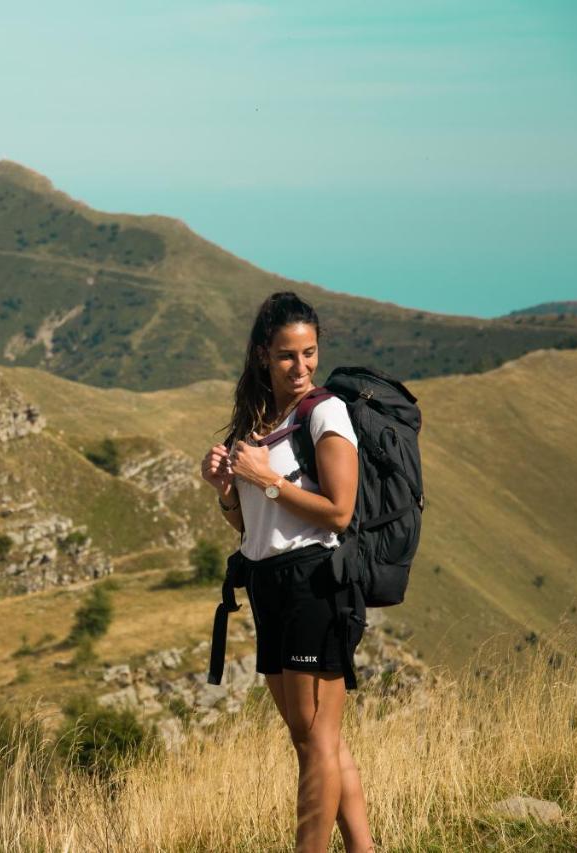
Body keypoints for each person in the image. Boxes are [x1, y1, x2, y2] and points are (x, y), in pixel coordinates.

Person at [201, 292, 373, 853]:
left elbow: (339, 511)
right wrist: (229, 490)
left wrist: (267, 479)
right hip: (267, 584)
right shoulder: (255, 423)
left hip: (315, 582)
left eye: (309, 353)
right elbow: (252, 528)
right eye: (286, 356)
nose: (300, 368)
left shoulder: (325, 412)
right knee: (311, 740)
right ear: (261, 356)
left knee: (318, 739)